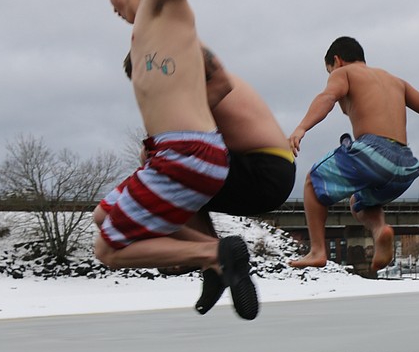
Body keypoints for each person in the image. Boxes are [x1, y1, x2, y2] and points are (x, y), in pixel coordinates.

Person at [95, 0, 258, 320]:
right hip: (182, 153)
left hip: (187, 153)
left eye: (112, 2)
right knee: (101, 216)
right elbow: (213, 82)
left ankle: (215, 256)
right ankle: (213, 258)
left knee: (106, 248)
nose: (115, 12)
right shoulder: (151, 33)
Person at [287, 36, 419, 272]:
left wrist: (302, 127)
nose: (330, 77)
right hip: (404, 165)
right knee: (359, 202)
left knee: (312, 182)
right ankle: (380, 230)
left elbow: (327, 97)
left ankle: (317, 251)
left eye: (329, 71)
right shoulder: (396, 81)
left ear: (337, 61)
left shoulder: (343, 73)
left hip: (373, 151)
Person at [124, 46, 295, 314]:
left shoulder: (190, 85)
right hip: (272, 170)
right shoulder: (197, 81)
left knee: (157, 175)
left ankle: (216, 256)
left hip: (260, 171)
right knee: (175, 173)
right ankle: (214, 266)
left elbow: (164, 147)